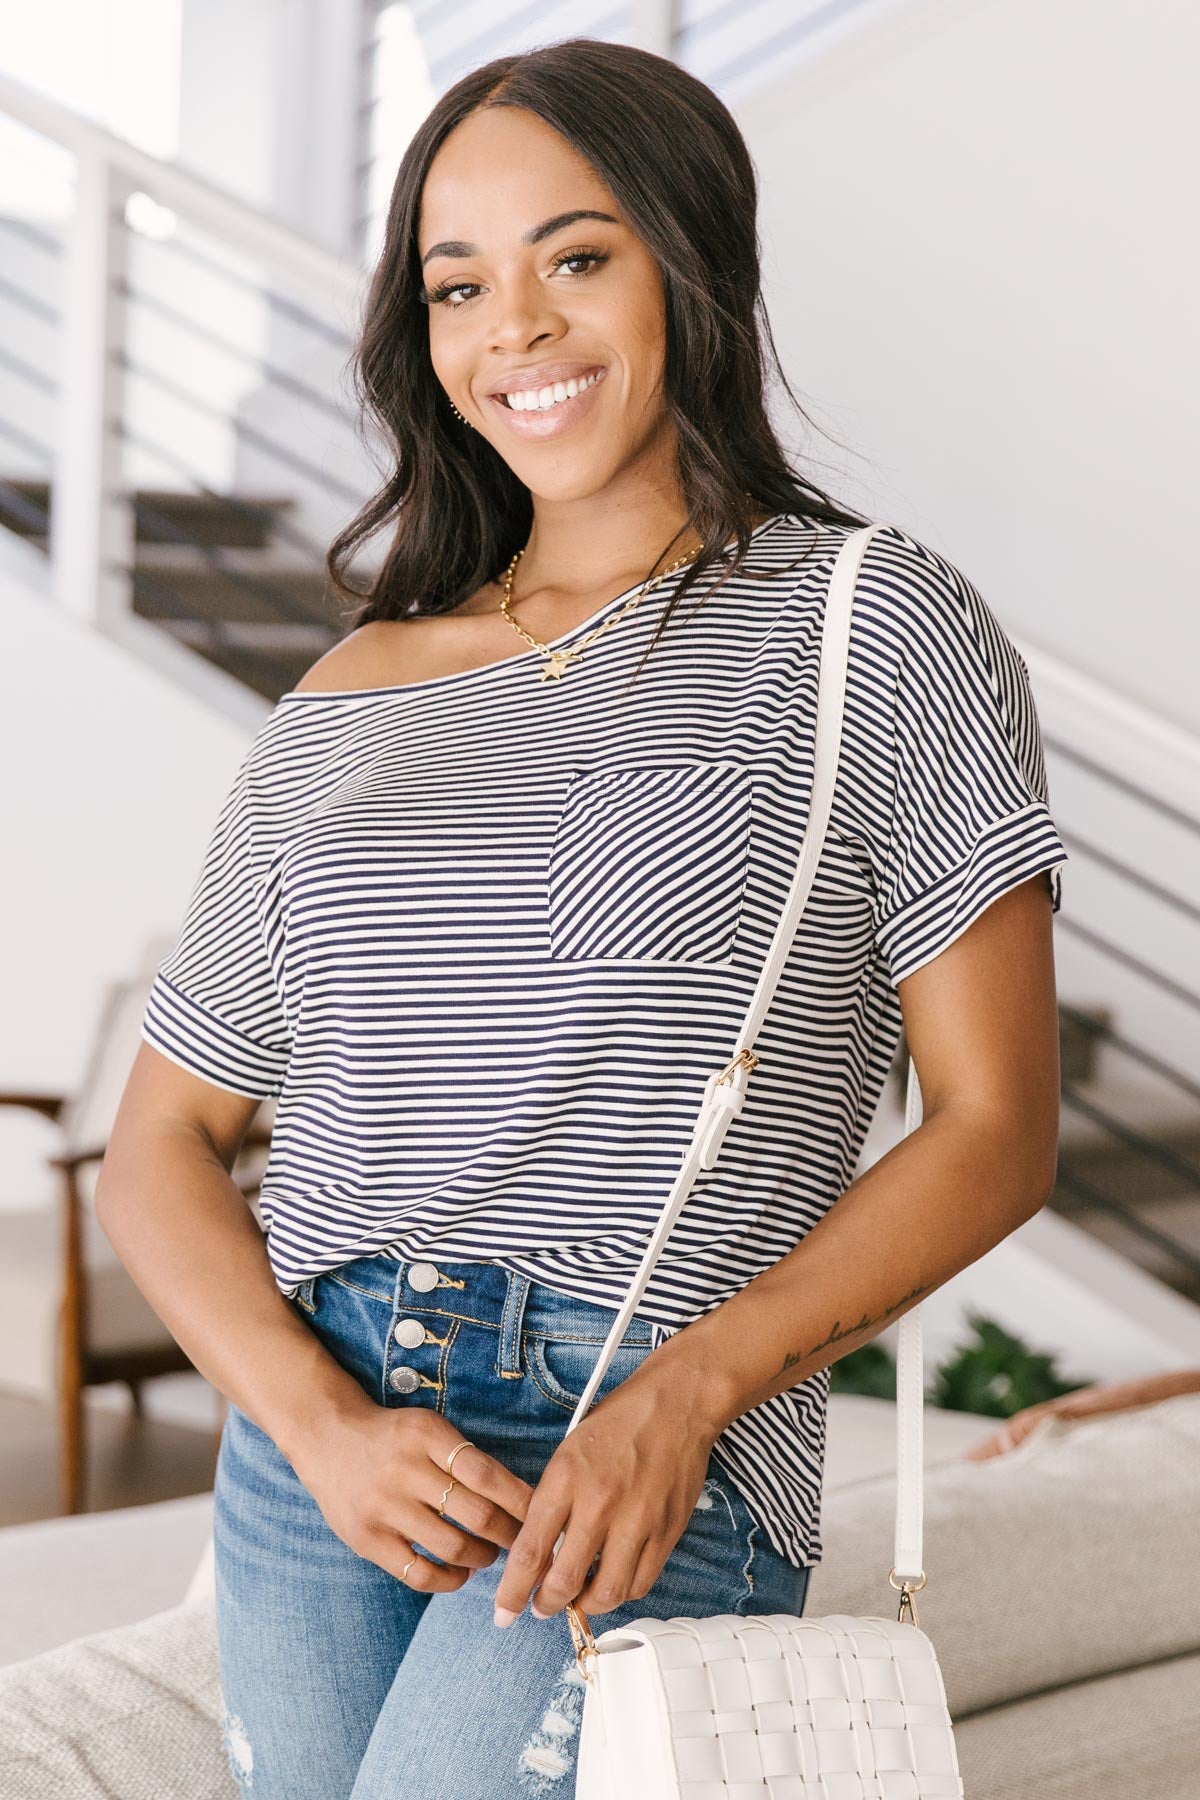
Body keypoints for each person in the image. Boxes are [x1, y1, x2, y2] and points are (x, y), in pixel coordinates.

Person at [96, 37, 1069, 1800]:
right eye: (459, 285)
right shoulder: (353, 689)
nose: (515, 330)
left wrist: (689, 1400)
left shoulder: (870, 626)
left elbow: (998, 1128)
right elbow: (163, 1137)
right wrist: (316, 1431)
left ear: (692, 262)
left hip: (636, 1419)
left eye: (576, 256)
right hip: (326, 1441)